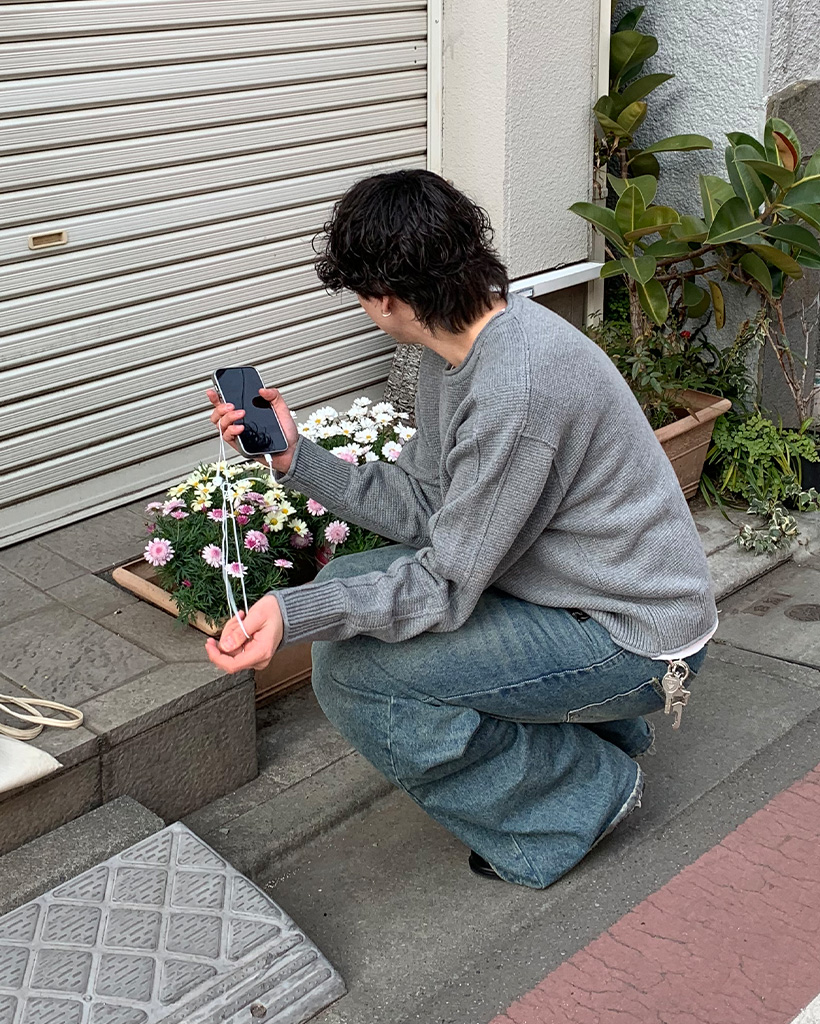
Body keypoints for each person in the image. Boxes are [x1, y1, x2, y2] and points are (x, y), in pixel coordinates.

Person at [205, 169, 717, 889]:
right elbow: (427, 506)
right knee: (351, 587)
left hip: (632, 637)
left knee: (355, 674)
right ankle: (593, 734)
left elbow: (446, 581)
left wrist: (296, 614)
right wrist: (295, 457)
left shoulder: (515, 391)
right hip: (571, 594)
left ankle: (582, 796)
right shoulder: (465, 345)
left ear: (384, 298)